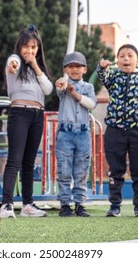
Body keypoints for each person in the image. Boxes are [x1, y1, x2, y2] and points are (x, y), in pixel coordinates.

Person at [97, 44, 138, 217]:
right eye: (122, 56)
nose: (125, 59)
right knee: (115, 169)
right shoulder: (113, 78)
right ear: (117, 61)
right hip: (115, 129)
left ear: (137, 61)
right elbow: (103, 75)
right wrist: (101, 67)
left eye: (130, 56)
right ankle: (115, 205)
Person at [0, 24, 53, 218]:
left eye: (34, 47)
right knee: (15, 159)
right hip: (19, 113)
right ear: (19, 47)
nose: (30, 51)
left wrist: (36, 66)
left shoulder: (38, 70)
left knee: (30, 162)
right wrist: (14, 63)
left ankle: (28, 204)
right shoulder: (15, 62)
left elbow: (48, 90)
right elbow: (12, 63)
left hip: (37, 115)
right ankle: (6, 204)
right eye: (26, 46)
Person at [55, 52, 97, 217]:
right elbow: (59, 89)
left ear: (84, 69)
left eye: (78, 66)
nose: (74, 69)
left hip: (83, 132)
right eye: (70, 66)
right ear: (65, 69)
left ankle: (80, 203)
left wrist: (75, 94)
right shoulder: (63, 85)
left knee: (81, 170)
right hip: (65, 132)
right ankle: (65, 204)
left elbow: (91, 103)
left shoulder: (89, 88)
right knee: (64, 170)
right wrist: (62, 84)